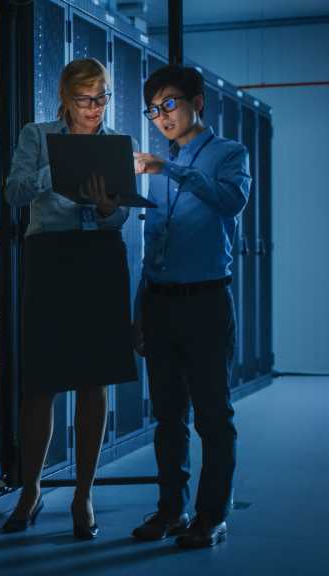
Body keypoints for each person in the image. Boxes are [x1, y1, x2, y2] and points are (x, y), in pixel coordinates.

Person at [2, 58, 137, 540]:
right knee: (40, 383)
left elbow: (120, 219)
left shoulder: (120, 144)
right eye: (84, 100)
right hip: (50, 260)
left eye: (101, 98)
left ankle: (84, 494)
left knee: (94, 381)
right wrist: (52, 171)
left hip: (98, 258)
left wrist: (106, 209)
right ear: (65, 98)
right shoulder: (36, 135)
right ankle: (31, 489)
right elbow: (14, 192)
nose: (94, 109)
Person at [131, 64, 250, 548]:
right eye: (154, 109)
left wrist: (171, 169)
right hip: (161, 303)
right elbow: (153, 243)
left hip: (205, 302)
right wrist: (140, 309)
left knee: (213, 418)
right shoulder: (157, 169)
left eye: (170, 103)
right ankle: (169, 511)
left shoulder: (229, 153)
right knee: (168, 416)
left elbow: (231, 201)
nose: (162, 117)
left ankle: (211, 516)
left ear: (197, 102)